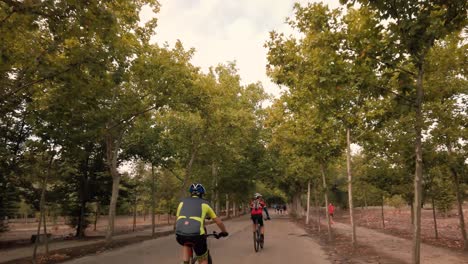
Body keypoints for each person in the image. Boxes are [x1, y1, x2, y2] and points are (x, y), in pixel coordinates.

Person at [175, 183, 228, 264]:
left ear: (191, 193)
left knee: (186, 240)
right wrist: (224, 232)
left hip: (180, 236)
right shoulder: (205, 204)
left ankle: (185, 262)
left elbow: (177, 220)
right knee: (203, 258)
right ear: (202, 194)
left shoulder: (182, 202)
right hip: (197, 236)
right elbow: (218, 222)